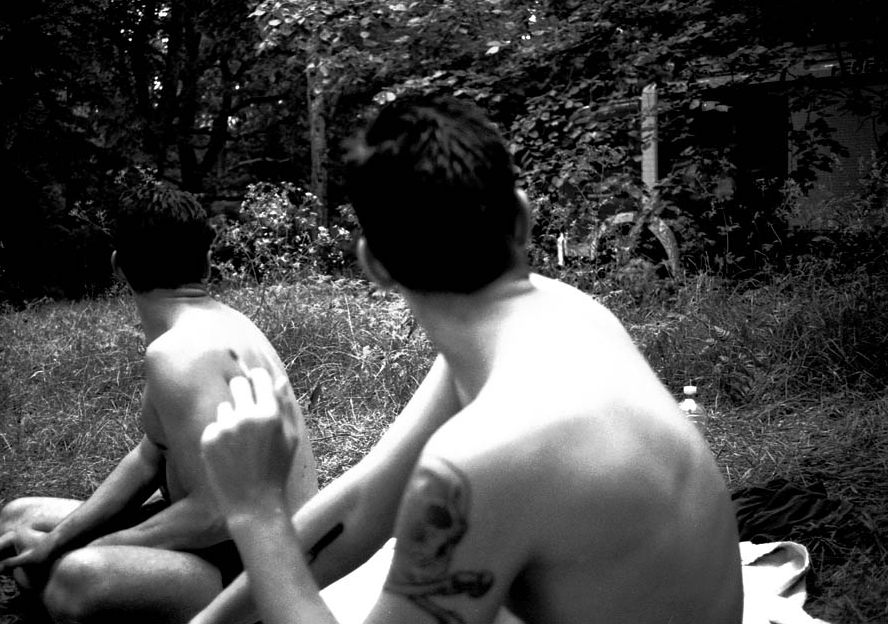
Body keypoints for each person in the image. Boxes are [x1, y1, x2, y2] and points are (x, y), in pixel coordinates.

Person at [192, 95, 744, 624]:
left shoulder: (483, 455)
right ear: (523, 219)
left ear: (374, 266)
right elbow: (364, 502)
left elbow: (346, 513)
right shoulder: (568, 315)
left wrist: (256, 512)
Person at [0, 183, 319, 623]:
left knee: (75, 578)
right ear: (207, 261)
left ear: (118, 265)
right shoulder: (205, 327)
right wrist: (57, 540)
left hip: (262, 562)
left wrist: (85, 549)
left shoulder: (181, 351)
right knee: (18, 517)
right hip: (221, 536)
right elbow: (150, 457)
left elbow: (216, 513)